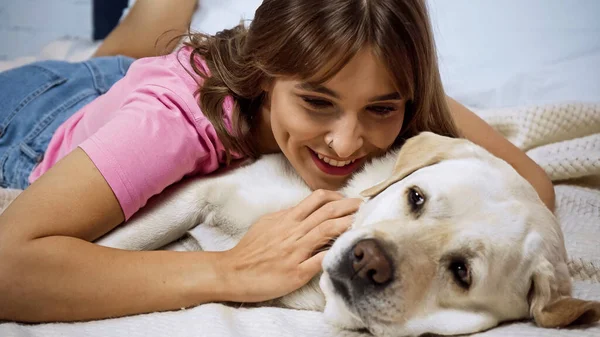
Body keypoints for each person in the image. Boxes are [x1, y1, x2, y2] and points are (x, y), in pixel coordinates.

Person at [0, 0, 555, 323]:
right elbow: (8, 267)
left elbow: (531, 187)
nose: (345, 144)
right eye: (317, 102)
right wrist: (227, 271)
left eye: (380, 108)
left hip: (128, 84)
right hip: (36, 112)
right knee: (117, 65)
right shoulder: (173, 122)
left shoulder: (385, 91)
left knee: (126, 63)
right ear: (264, 77)